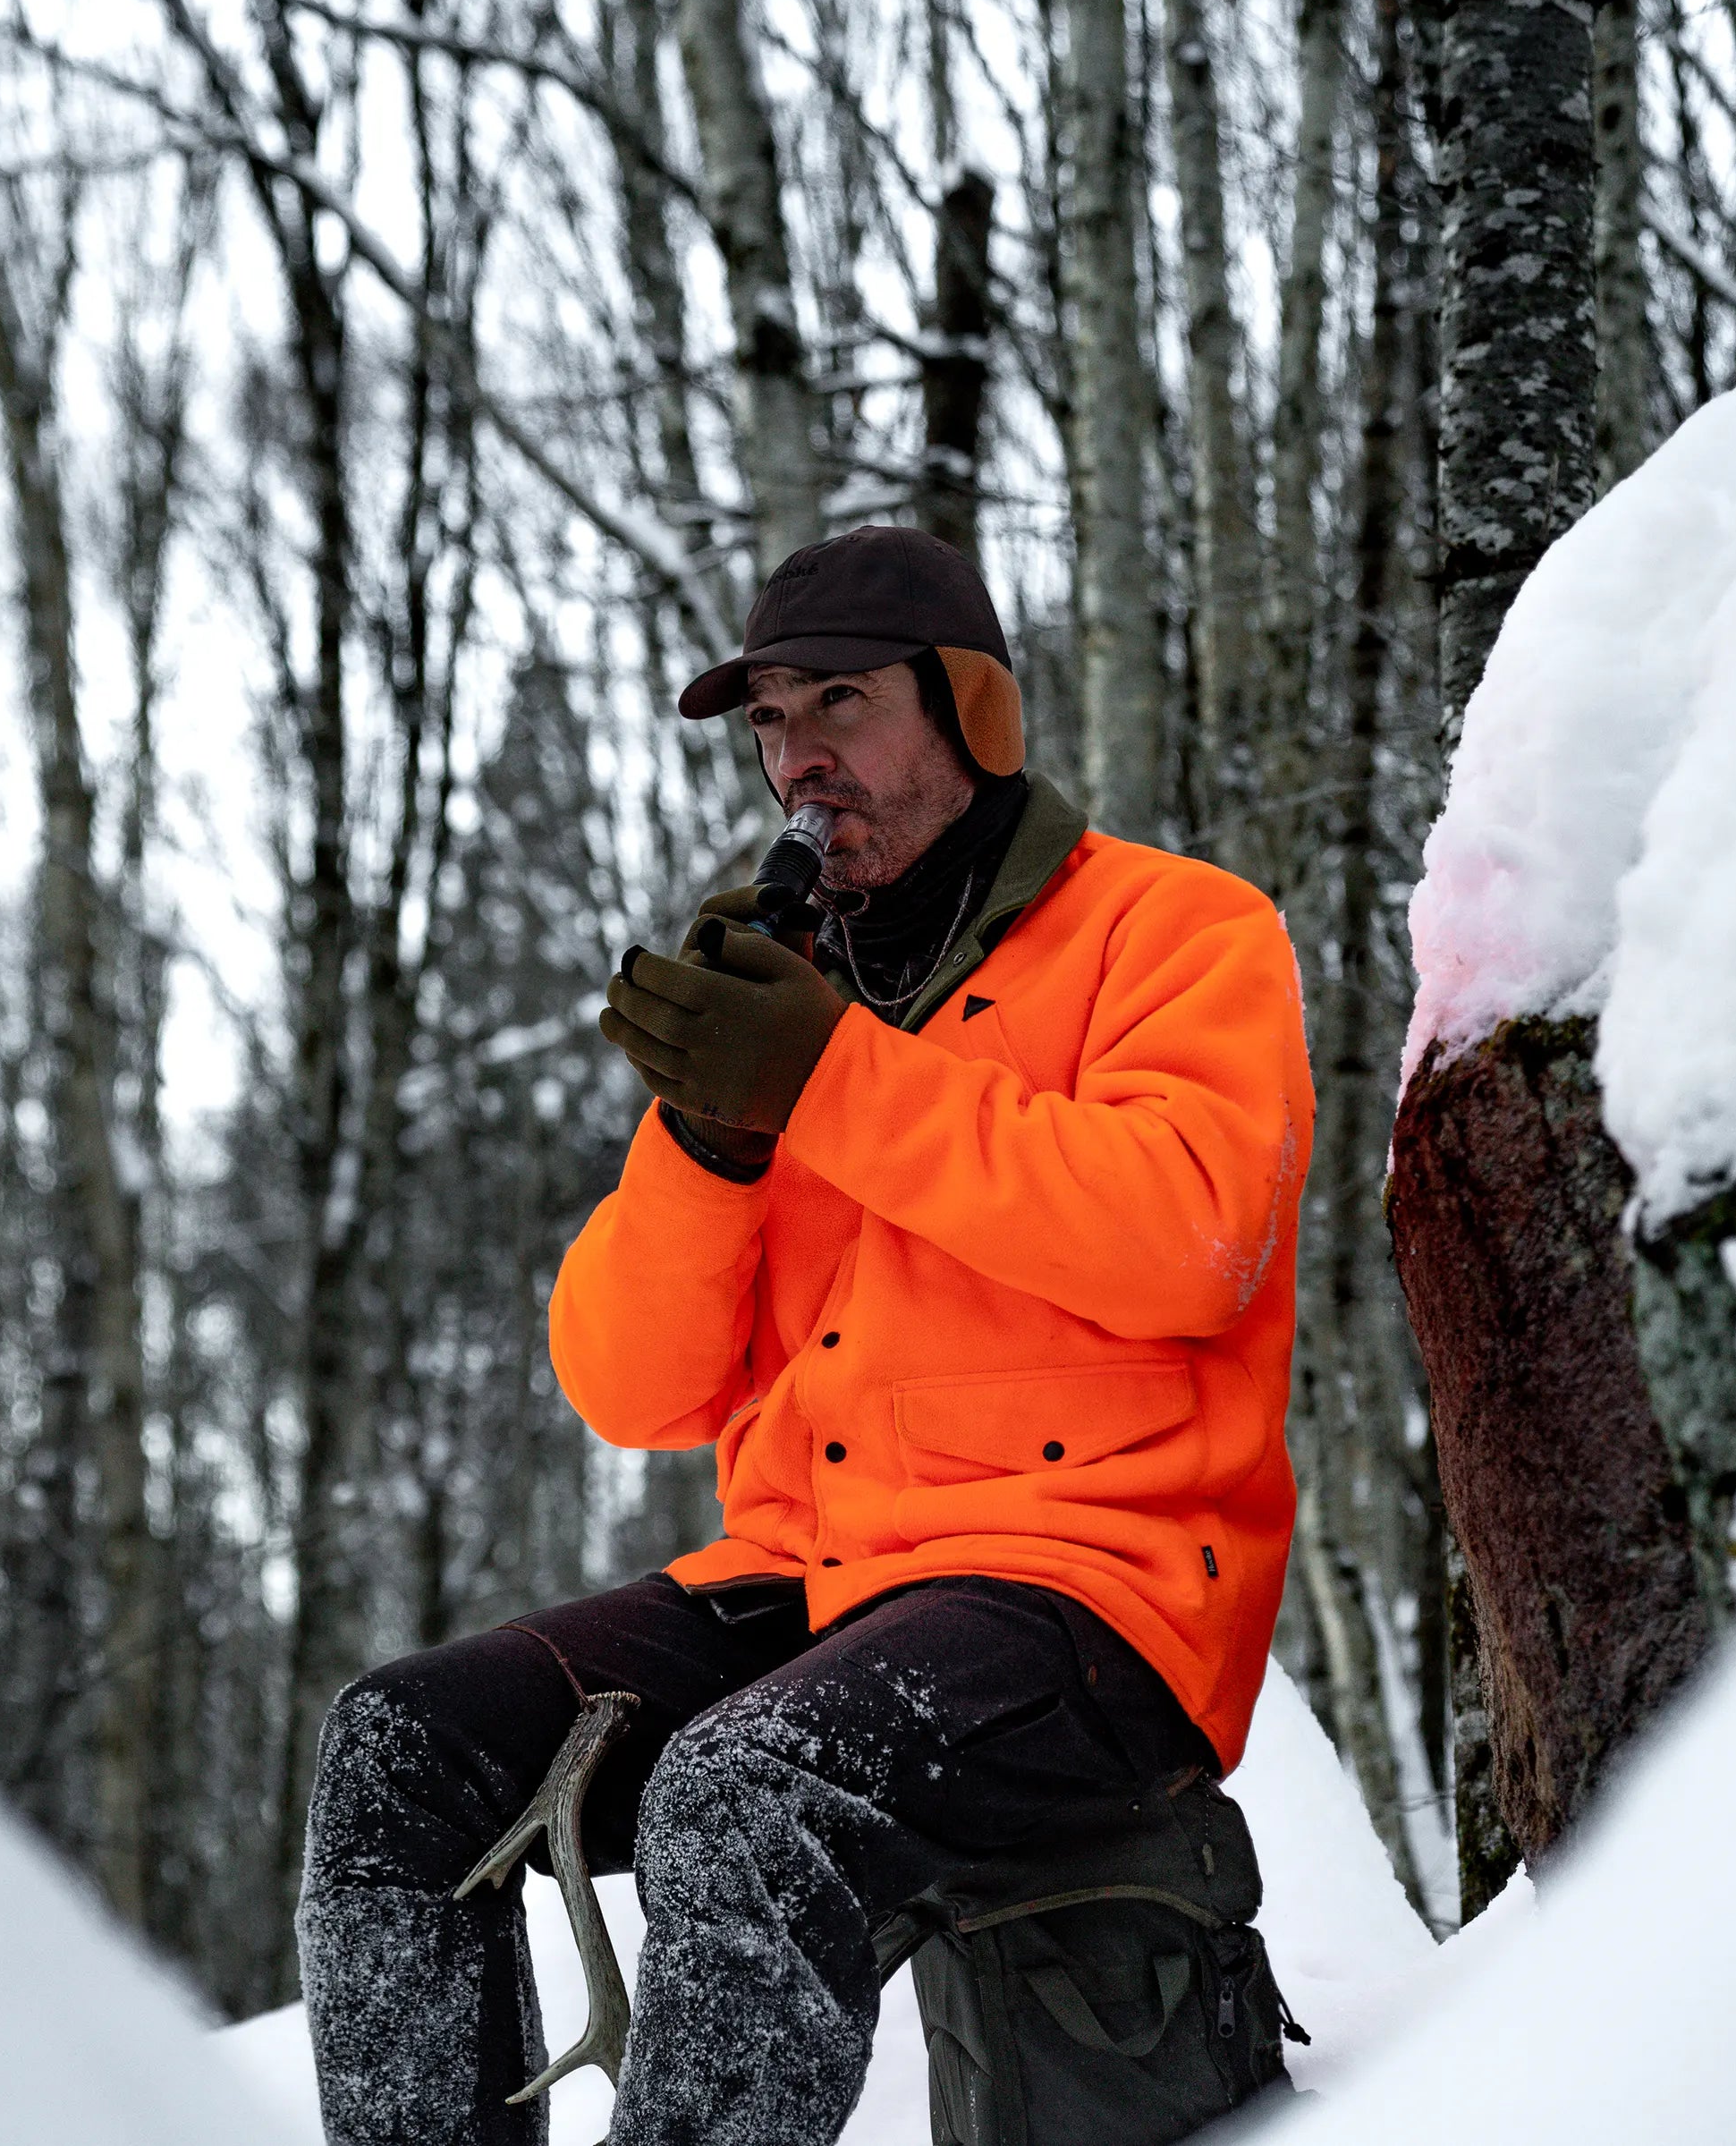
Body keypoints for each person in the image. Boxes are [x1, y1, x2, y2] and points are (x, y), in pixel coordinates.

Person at [296, 526, 1313, 2146]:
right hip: (821, 1582)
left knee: (748, 1792)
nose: (798, 757)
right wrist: (712, 1139)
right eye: (768, 720)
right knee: (401, 1748)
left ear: (973, 712)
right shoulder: (781, 997)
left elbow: (1188, 1241)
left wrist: (830, 1080)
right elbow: (630, 1388)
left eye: (840, 701)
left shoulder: (1176, 932)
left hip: (1103, 1597)